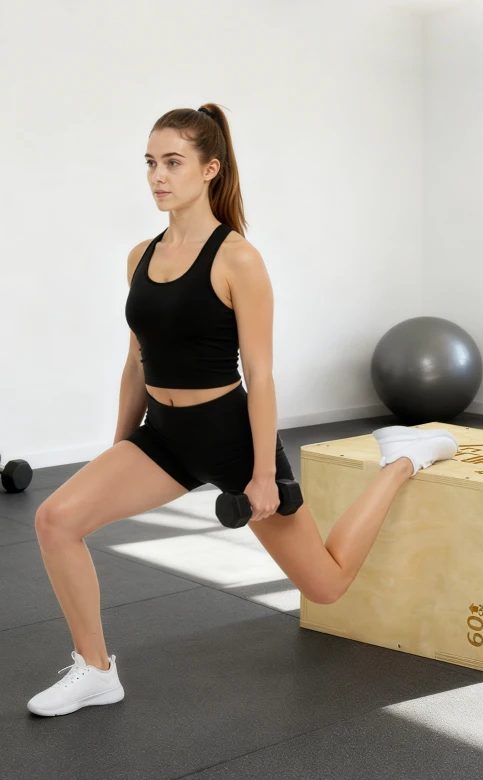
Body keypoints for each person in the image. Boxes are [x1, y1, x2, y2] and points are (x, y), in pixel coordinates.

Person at [27, 104, 458, 716]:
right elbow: (136, 363)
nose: (158, 176)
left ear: (210, 168)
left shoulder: (238, 259)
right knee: (55, 520)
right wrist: (119, 446)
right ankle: (96, 670)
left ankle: (404, 460)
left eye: (173, 162)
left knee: (327, 585)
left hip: (229, 435)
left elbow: (259, 375)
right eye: (150, 163)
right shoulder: (140, 257)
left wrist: (261, 474)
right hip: (164, 434)